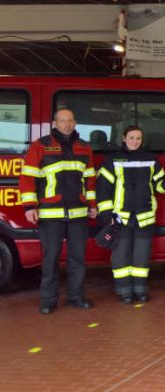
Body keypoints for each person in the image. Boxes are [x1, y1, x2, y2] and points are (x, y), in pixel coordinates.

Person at [19, 109, 97, 314]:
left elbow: (90, 180)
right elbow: (28, 178)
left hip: (78, 214)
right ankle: (48, 300)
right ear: (55, 122)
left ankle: (76, 297)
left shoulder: (84, 148)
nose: (67, 124)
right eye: (62, 121)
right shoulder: (41, 145)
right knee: (50, 259)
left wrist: (92, 205)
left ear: (75, 122)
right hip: (50, 214)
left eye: (70, 120)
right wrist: (29, 207)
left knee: (78, 259)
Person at [96, 125, 165, 304]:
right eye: (132, 137)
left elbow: (159, 186)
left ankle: (140, 289)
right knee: (121, 256)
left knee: (141, 256)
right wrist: (107, 215)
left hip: (145, 217)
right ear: (124, 138)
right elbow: (103, 190)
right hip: (120, 218)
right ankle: (124, 290)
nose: (135, 141)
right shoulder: (111, 161)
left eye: (138, 138)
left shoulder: (150, 160)